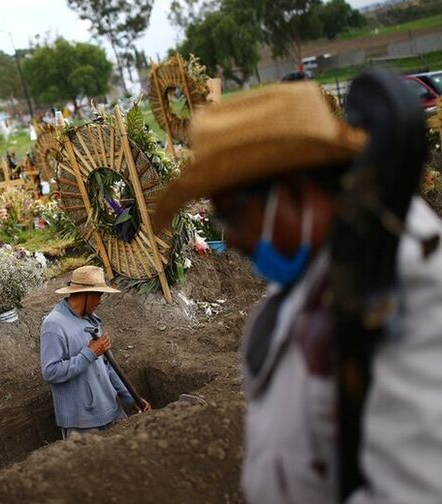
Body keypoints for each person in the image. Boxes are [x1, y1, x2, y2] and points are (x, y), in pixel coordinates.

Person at [151, 82, 442, 502]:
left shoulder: (398, 282)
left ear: (292, 191)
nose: (229, 239)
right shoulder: (317, 270)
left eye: (231, 216)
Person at [40, 265, 151, 440]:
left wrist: (132, 399)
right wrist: (89, 353)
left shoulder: (91, 319)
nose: (100, 300)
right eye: (99, 295)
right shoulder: (54, 325)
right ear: (86, 294)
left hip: (112, 411)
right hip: (83, 424)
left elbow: (109, 366)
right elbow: (50, 372)